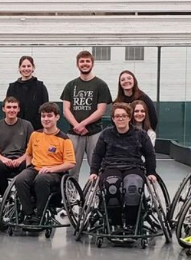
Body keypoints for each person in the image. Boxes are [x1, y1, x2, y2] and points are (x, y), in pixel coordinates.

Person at [89, 103, 157, 232]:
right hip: (110, 166)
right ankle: (116, 223)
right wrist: (93, 171)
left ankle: (131, 224)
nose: (120, 118)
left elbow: (150, 155)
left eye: (123, 116)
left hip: (134, 166)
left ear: (129, 118)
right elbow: (97, 154)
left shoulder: (141, 134)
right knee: (112, 187)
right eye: (117, 116)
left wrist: (151, 172)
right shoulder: (106, 134)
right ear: (113, 119)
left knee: (133, 187)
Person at [14, 102, 76, 225]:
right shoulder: (35, 135)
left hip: (55, 172)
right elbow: (29, 153)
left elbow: (70, 163)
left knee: (41, 179)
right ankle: (29, 214)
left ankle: (39, 215)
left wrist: (51, 169)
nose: (46, 119)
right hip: (35, 168)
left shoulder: (64, 139)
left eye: (49, 116)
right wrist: (28, 167)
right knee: (20, 180)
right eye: (43, 116)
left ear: (57, 117)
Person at [61, 50, 112, 180]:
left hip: (94, 133)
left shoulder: (101, 85)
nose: (85, 64)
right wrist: (76, 126)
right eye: (82, 61)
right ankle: (72, 199)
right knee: (71, 169)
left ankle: (96, 197)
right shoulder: (70, 85)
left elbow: (101, 110)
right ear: (77, 64)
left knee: (97, 168)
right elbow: (66, 109)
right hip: (73, 133)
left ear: (92, 64)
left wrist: (83, 124)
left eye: (87, 61)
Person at [0, 96, 34, 195]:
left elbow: (31, 149)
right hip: (4, 160)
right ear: (3, 109)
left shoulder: (27, 125)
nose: (11, 110)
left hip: (21, 159)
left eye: (14, 107)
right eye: (9, 107)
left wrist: (20, 159)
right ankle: (5, 194)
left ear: (18, 109)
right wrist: (4, 159)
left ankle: (22, 195)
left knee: (28, 167)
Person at [6, 56, 50, 130]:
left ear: (33, 68)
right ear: (19, 68)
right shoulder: (12, 87)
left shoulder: (41, 87)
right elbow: (8, 109)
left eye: (29, 66)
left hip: (37, 129)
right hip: (16, 129)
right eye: (23, 66)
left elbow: (46, 109)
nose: (26, 69)